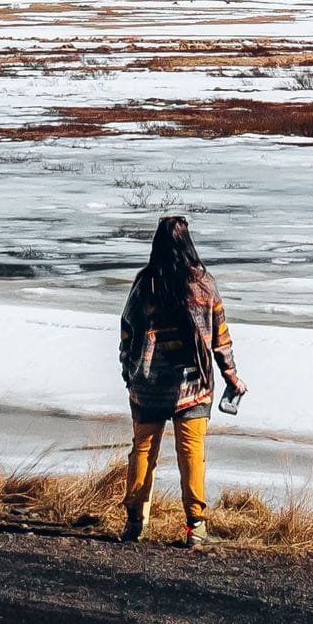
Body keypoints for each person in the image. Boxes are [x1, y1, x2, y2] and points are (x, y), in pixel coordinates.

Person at [118, 214, 244, 547]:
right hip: (194, 385)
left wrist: (128, 372)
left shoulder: (145, 283)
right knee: (192, 454)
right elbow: (221, 338)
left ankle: (134, 523)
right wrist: (231, 376)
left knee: (143, 451)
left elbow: (127, 331)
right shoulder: (204, 284)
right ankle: (196, 527)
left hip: (147, 387)